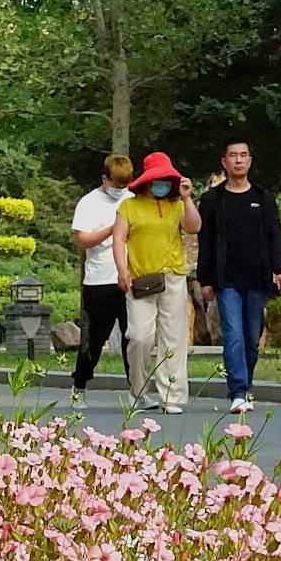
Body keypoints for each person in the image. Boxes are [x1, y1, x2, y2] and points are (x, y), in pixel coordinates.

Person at [196, 136, 281, 414]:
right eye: (232, 155)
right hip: (226, 280)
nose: (238, 160)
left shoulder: (263, 198)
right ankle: (237, 391)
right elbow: (206, 241)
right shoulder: (213, 200)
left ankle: (246, 386)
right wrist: (206, 280)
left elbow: (276, 236)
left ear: (250, 160)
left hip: (258, 278)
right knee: (233, 334)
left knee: (251, 337)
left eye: (243, 155)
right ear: (224, 162)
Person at [112, 152, 201, 414]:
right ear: (147, 181)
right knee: (140, 336)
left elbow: (194, 226)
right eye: (157, 179)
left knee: (173, 338)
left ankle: (171, 396)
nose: (162, 184)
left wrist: (186, 197)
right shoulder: (129, 206)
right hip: (141, 279)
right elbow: (119, 239)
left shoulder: (176, 204)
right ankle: (137, 390)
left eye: (166, 180)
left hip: (173, 276)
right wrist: (122, 269)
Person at [69, 154, 134, 404]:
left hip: (130, 280)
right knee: (93, 338)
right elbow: (82, 240)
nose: (120, 189)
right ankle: (80, 384)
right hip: (99, 281)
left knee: (134, 337)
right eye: (116, 184)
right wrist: (113, 228)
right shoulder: (89, 202)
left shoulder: (133, 199)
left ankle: (136, 391)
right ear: (104, 179)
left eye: (124, 184)